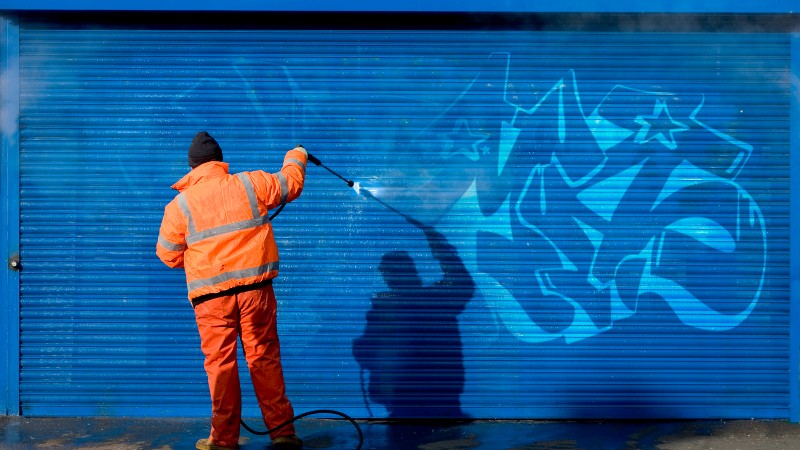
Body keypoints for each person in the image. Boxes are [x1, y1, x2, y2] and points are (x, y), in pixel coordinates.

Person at [156, 131, 306, 450]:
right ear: (219, 162)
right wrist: (297, 154)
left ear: (192, 166)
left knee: (221, 366)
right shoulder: (249, 184)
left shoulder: (179, 206)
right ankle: (282, 433)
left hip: (211, 299)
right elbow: (290, 183)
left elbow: (167, 254)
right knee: (263, 356)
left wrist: (204, 260)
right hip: (257, 293)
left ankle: (223, 441)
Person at [352, 216, 475, 419]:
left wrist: (443, 250)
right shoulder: (428, 300)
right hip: (419, 397)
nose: (388, 277)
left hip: (426, 398)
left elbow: (462, 285)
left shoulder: (429, 299)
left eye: (391, 272)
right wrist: (443, 250)